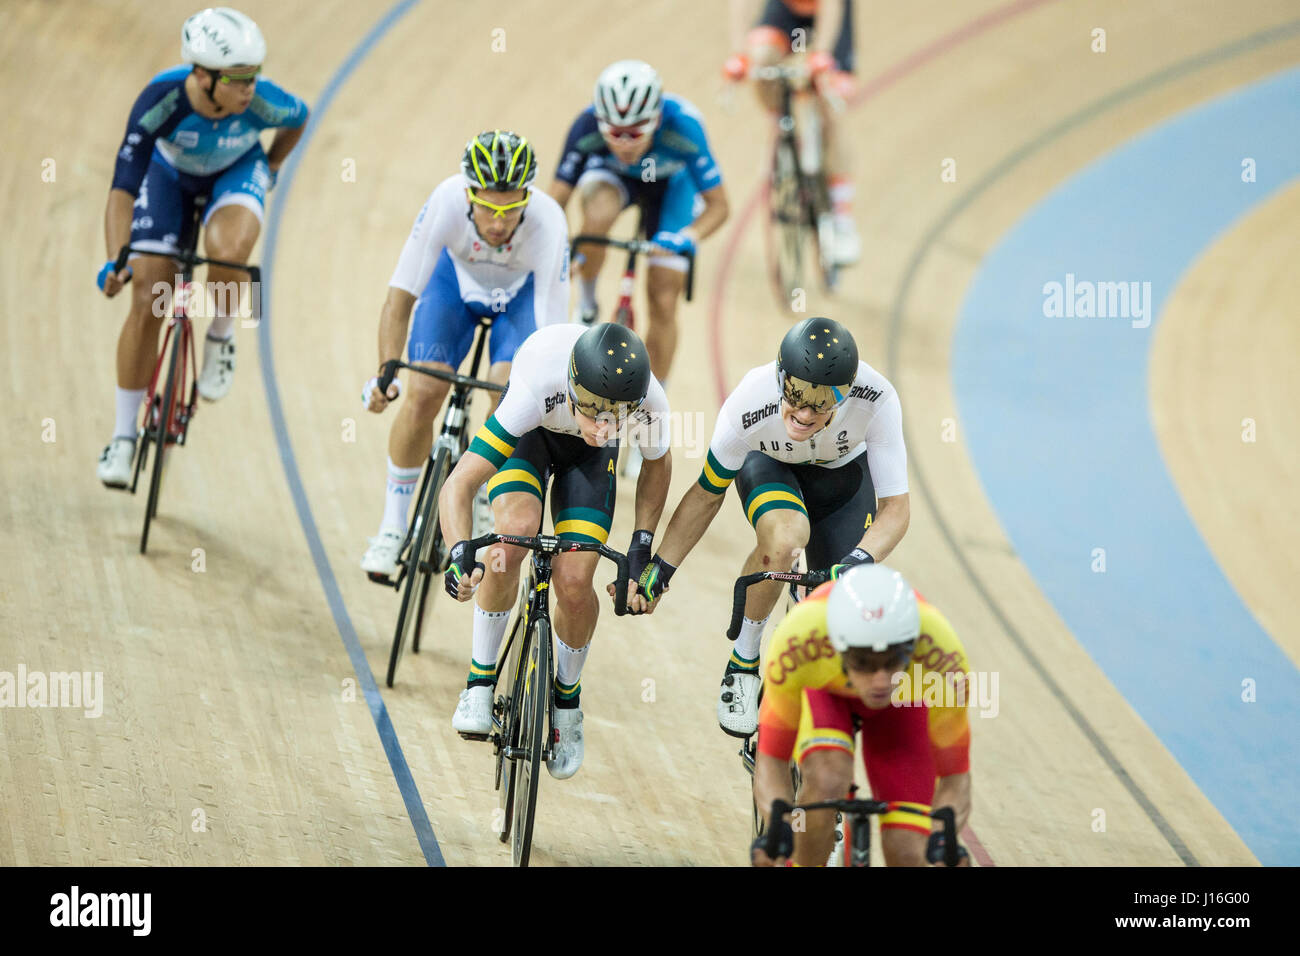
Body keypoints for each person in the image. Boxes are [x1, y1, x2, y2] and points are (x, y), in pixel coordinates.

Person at [636, 316, 910, 736]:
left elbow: (895, 508)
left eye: (820, 403)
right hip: (772, 469)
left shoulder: (877, 399)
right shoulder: (750, 401)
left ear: (846, 394)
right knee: (786, 539)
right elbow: (708, 493)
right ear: (780, 377)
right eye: (795, 394)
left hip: (843, 481)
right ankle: (744, 661)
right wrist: (661, 568)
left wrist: (858, 559)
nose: (802, 413)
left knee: (844, 601)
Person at [437, 323, 673, 779]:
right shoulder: (536, 387)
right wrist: (458, 552)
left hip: (587, 462)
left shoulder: (649, 402)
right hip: (531, 438)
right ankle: (479, 681)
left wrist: (641, 546)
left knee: (574, 579)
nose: (604, 426)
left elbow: (657, 465)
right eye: (592, 411)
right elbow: (459, 483)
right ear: (570, 385)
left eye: (616, 417)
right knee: (512, 536)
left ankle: (567, 704)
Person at [97, 7, 308, 487]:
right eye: (236, 78)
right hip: (168, 177)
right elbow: (124, 183)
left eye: (253, 75)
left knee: (228, 249)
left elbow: (300, 117)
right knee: (149, 296)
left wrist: (271, 167)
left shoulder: (262, 102)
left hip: (236, 171)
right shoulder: (161, 98)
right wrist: (116, 258)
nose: (248, 87)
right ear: (201, 74)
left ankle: (221, 336)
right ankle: (122, 437)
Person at [359, 131, 570, 581]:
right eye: (488, 207)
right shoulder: (446, 201)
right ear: (468, 193)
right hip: (453, 287)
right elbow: (399, 299)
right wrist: (385, 372)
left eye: (510, 208)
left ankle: (479, 485)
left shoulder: (549, 222)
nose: (498, 221)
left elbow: (551, 336)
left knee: (507, 395)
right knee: (423, 392)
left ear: (526, 199)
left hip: (519, 299)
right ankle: (393, 528)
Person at [548, 59, 729, 475]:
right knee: (593, 220)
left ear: (657, 120)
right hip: (613, 181)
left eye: (635, 133)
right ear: (599, 120)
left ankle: (649, 417)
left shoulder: (684, 128)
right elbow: (554, 199)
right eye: (614, 133)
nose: (625, 142)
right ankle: (588, 305)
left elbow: (720, 206)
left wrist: (687, 238)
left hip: (673, 191)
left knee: (663, 296)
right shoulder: (585, 127)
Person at [749, 564, 973, 866]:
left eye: (892, 661)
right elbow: (773, 758)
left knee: (908, 850)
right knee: (827, 779)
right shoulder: (798, 638)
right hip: (827, 691)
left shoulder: (944, 655)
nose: (879, 680)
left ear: (912, 647)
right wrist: (780, 826)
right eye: (864, 662)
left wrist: (942, 841)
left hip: (903, 702)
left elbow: (955, 778)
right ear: (838, 647)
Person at [723, 0, 860, 264]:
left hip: (828, 14)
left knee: (829, 106)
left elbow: (831, 7)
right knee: (762, 65)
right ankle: (781, 127)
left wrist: (820, 54)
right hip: (786, 12)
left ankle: (843, 218)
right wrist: (740, 55)